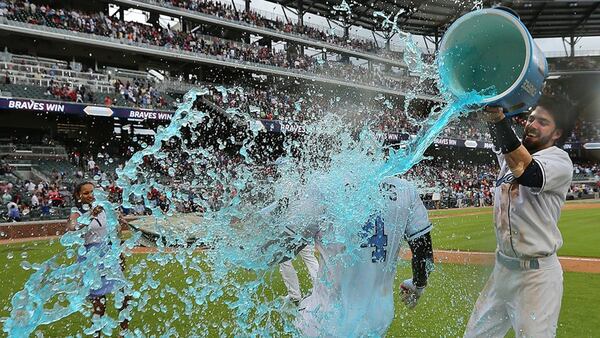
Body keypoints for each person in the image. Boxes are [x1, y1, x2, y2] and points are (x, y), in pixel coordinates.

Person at [464, 95, 574, 338]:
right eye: (532, 118)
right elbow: (506, 147)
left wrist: (500, 120)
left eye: (543, 122)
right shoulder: (510, 156)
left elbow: (528, 173)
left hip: (536, 277)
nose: (532, 124)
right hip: (502, 270)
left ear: (557, 133)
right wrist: (491, 103)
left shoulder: (560, 160)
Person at [273, 177, 434, 337]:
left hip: (326, 319)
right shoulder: (406, 190)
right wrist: (417, 286)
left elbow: (281, 249)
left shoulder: (325, 186)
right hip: (377, 320)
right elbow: (424, 254)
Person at [66, 182, 131, 337]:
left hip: (108, 253)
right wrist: (89, 216)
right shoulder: (77, 211)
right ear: (78, 195)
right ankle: (98, 333)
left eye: (92, 192)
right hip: (91, 257)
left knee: (123, 294)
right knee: (98, 300)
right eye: (86, 193)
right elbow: (72, 227)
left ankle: (124, 331)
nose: (90, 195)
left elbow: (116, 229)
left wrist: (119, 252)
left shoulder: (105, 208)